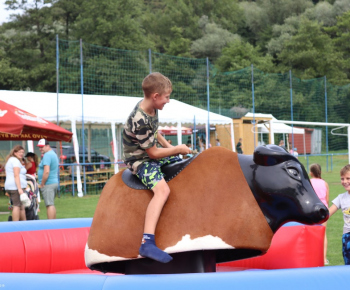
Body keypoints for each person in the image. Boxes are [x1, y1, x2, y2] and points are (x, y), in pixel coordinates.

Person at [123, 72, 190, 263]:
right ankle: (147, 242)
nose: (168, 101)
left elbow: (155, 132)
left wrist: (172, 149)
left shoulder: (152, 108)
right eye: (167, 97)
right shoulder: (140, 118)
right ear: (155, 96)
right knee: (162, 191)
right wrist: (177, 148)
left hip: (149, 152)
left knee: (183, 164)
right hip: (139, 160)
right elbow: (152, 154)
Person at [328, 164, 350, 265]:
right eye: (342, 179)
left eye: (348, 178)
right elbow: (328, 213)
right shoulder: (341, 198)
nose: (345, 181)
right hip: (347, 237)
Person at [309, 164, 329, 265]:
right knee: (323, 235)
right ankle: (324, 259)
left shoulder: (309, 182)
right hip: (323, 210)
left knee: (312, 235)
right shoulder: (325, 183)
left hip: (312, 210)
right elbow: (327, 199)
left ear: (311, 173)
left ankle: (312, 258)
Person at [4, 145, 30, 221]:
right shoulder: (15, 161)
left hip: (10, 186)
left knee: (21, 206)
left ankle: (24, 224)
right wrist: (19, 189)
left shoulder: (10, 160)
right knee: (17, 206)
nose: (21, 154)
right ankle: (15, 225)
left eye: (22, 152)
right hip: (15, 187)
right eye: (19, 152)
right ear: (15, 153)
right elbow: (16, 175)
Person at [37, 139, 59, 219]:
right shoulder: (52, 153)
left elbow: (46, 171)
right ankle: (53, 223)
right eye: (39, 147)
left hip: (48, 183)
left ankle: (50, 224)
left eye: (42, 147)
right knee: (51, 204)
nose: (40, 149)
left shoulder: (47, 155)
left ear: (47, 146)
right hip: (53, 182)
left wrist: (42, 183)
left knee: (49, 205)